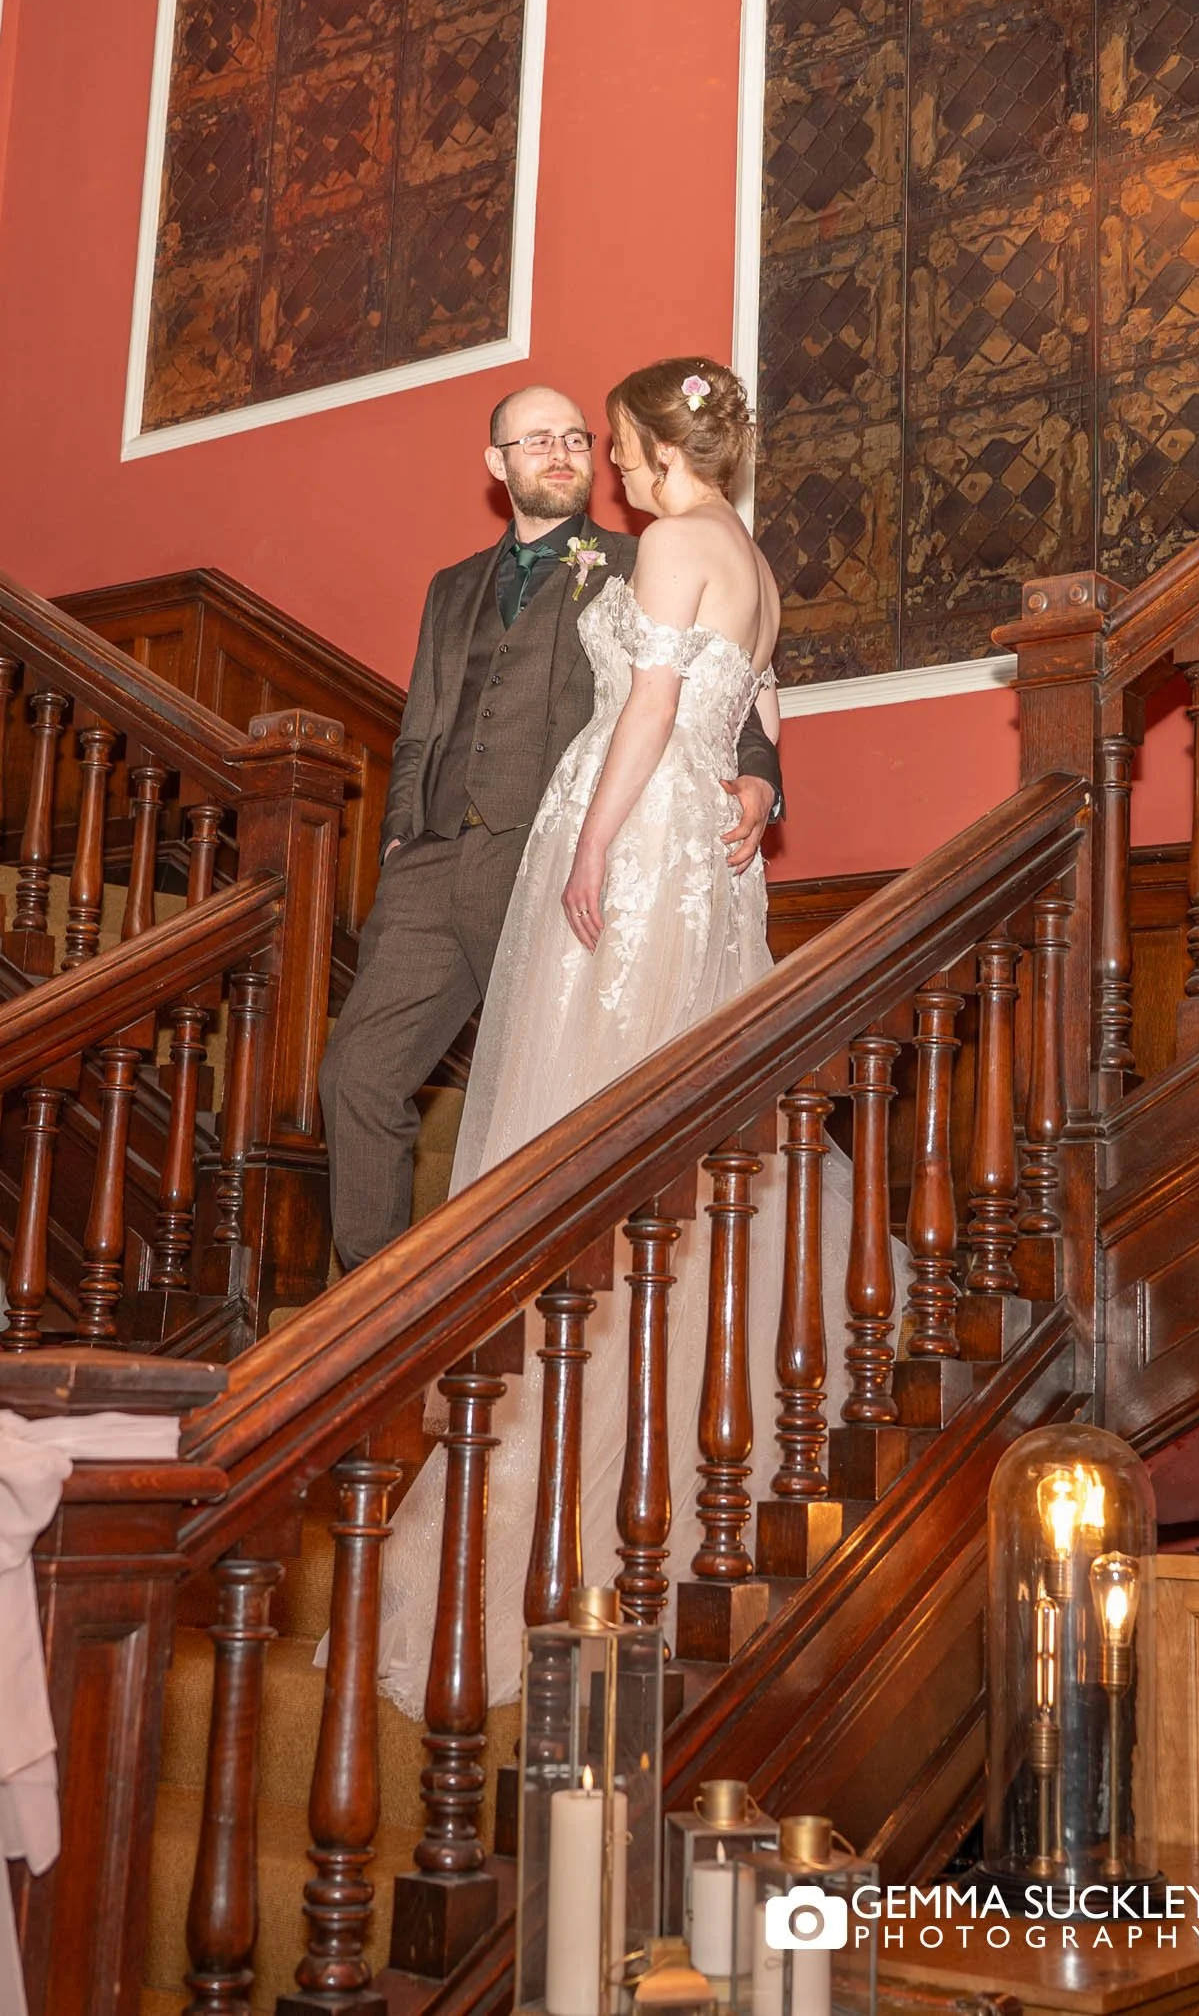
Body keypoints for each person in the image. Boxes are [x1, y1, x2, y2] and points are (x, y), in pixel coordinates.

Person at [372, 356, 855, 1717]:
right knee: (678, 1119)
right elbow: (756, 707)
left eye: (622, 445)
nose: (614, 466)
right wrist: (755, 790)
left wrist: (584, 846)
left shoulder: (664, 551)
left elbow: (643, 709)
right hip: (710, 859)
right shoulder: (747, 557)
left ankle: (555, 1445)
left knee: (578, 1103)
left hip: (639, 847)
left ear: (658, 448)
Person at [319, 379, 783, 1274]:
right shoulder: (451, 587)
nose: (564, 453)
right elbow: (421, 724)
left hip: (559, 855)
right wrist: (399, 839)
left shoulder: (641, 549)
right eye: (535, 442)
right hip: (433, 861)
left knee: (555, 1091)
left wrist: (759, 785)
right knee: (357, 1075)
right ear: (496, 465)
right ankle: (372, 1304)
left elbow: (736, 677)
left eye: (576, 437)